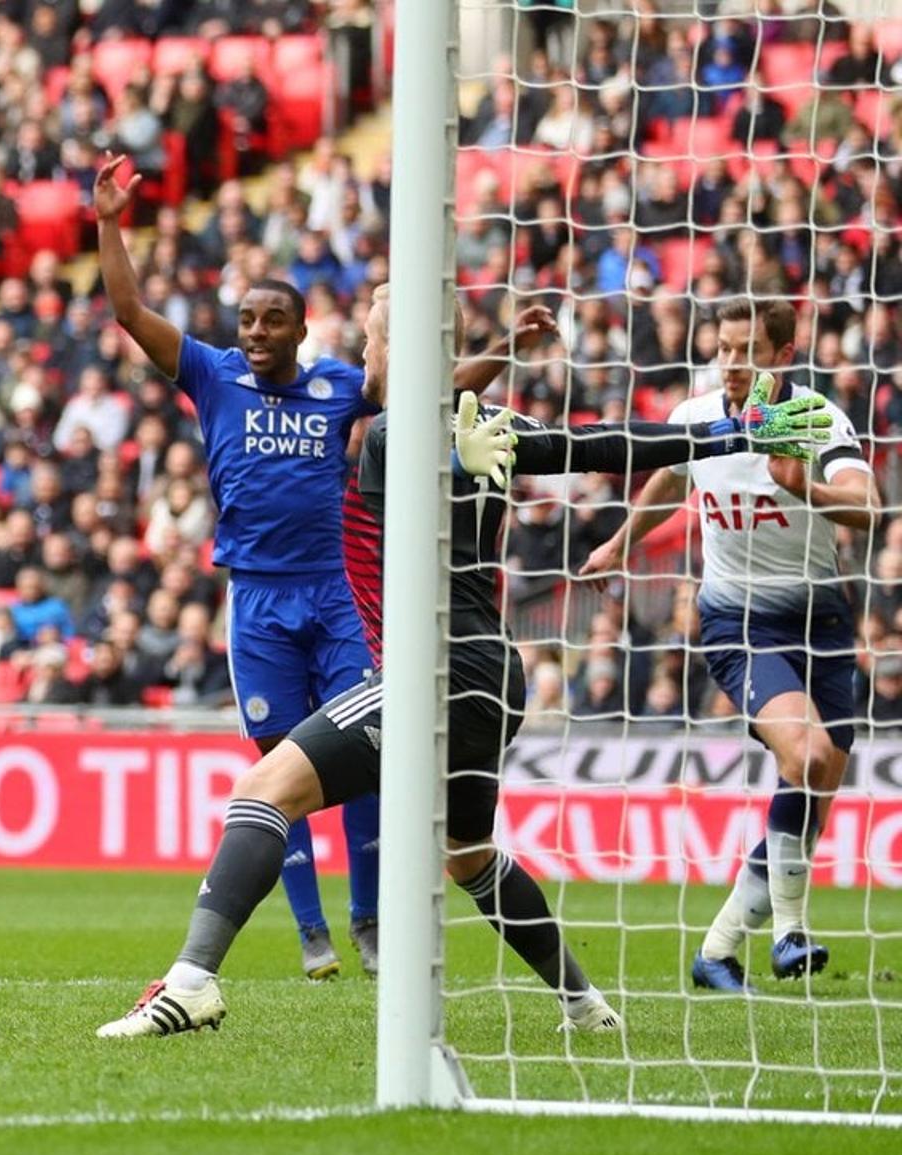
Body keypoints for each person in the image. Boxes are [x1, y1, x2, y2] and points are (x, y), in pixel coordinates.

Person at [95, 294, 833, 1038]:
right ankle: (583, 1003)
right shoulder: (489, 427)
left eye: (375, 342)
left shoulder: (388, 437)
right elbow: (607, 445)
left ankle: (190, 982)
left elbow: (417, 517)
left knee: (261, 791)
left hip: (433, 672)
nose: (365, 358)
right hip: (492, 676)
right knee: (470, 856)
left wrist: (450, 461)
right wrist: (727, 434)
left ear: (399, 355)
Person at [94, 152, 382, 979]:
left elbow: (428, 388)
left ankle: (368, 919)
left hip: (332, 598)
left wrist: (500, 353)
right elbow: (127, 308)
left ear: (299, 330)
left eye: (269, 321)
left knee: (364, 752)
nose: (253, 332)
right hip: (255, 604)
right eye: (246, 319)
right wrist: (111, 222)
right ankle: (312, 933)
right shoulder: (212, 375)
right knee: (272, 770)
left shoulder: (338, 386)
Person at [582, 299, 879, 993]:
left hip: (823, 621)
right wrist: (618, 544)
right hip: (735, 620)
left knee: (817, 782)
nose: (732, 364)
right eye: (723, 349)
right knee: (804, 756)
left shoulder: (815, 422)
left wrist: (801, 484)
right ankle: (790, 932)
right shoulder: (699, 420)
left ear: (782, 354)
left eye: (747, 350)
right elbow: (666, 479)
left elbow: (867, 508)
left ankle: (716, 951)